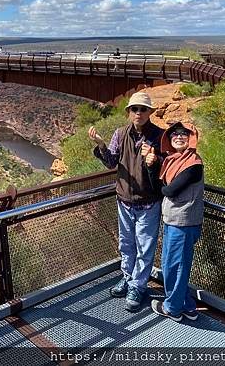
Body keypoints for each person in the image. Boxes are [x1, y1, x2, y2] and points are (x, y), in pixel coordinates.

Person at [88, 91, 164, 312]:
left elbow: (167, 166)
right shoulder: (120, 134)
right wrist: (101, 145)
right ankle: (128, 277)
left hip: (149, 202)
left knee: (144, 246)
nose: (138, 113)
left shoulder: (159, 136)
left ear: (150, 112)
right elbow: (111, 162)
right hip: (124, 201)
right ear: (129, 112)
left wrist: (156, 159)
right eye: (134, 109)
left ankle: (138, 286)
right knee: (127, 244)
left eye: (142, 109)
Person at [149, 122, 204, 322]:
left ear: (191, 138)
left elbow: (169, 190)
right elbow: (163, 184)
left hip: (183, 222)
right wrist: (152, 164)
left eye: (183, 134)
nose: (178, 137)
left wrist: (157, 184)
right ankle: (188, 306)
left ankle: (172, 309)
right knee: (176, 264)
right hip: (176, 220)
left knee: (174, 266)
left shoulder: (193, 165)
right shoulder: (174, 160)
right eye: (174, 134)